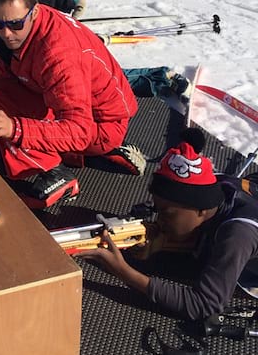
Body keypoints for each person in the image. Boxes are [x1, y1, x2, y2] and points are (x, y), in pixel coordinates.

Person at [0, 0, 141, 208]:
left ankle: (57, 175)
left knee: (9, 124)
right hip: (77, 112)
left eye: (15, 24)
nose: (6, 34)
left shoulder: (58, 55)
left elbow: (79, 130)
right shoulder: (25, 33)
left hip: (100, 126)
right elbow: (10, 75)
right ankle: (83, 156)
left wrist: (15, 128)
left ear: (35, 11)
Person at [76, 128, 258, 320]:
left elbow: (205, 304)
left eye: (167, 215)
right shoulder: (213, 185)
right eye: (157, 210)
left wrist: (124, 272)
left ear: (201, 210)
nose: (160, 221)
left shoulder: (239, 234)